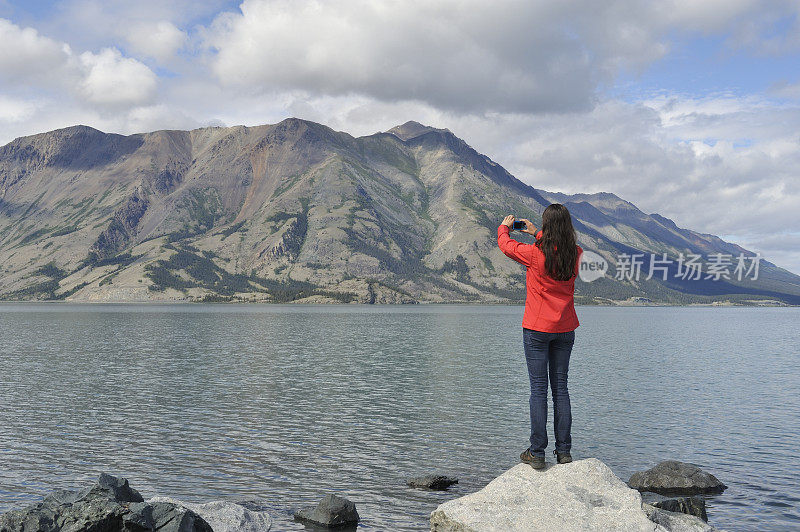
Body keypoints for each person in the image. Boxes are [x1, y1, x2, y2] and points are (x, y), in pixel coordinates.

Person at [497, 204, 583, 470]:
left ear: (548, 226)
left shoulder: (535, 255)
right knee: (561, 389)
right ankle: (564, 452)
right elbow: (557, 249)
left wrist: (504, 227)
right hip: (565, 329)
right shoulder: (576, 254)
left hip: (537, 330)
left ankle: (537, 452)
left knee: (538, 390)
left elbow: (506, 245)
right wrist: (537, 233)